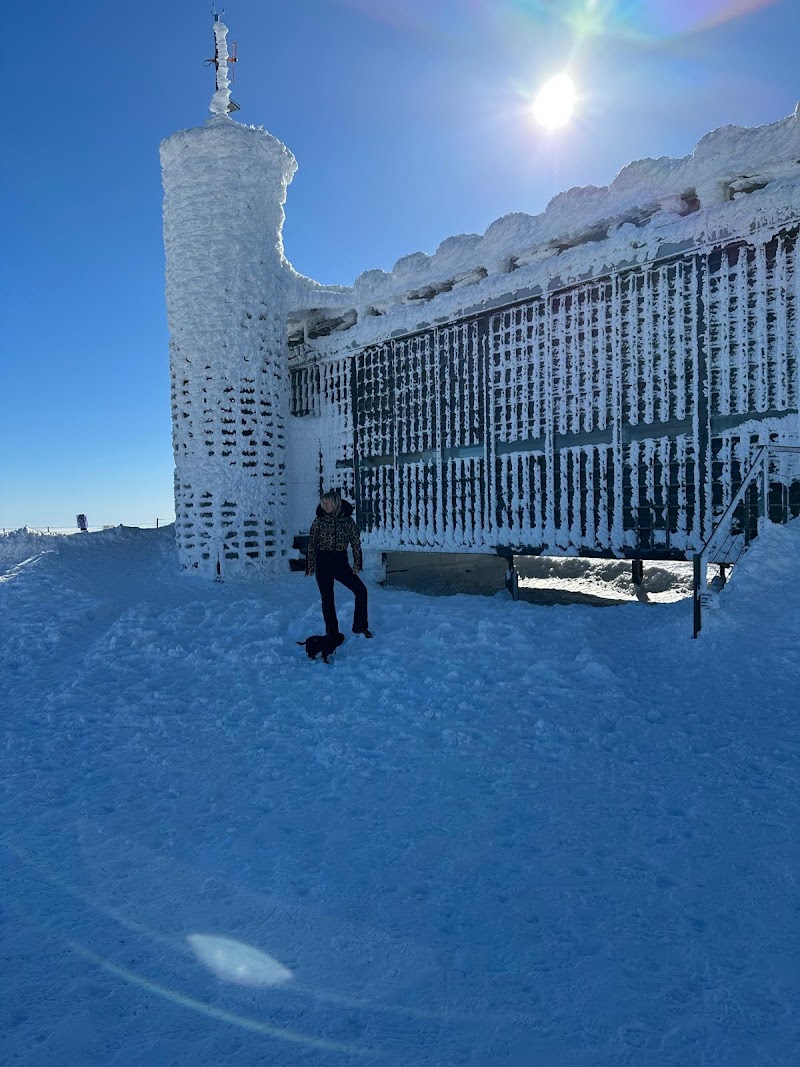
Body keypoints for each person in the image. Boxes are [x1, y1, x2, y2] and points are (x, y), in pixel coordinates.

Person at [306, 489, 372, 639]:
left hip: (340, 562)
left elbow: (355, 543)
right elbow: (312, 544)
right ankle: (332, 633)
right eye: (322, 503)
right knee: (327, 599)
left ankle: (360, 627)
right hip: (323, 562)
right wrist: (309, 566)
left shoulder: (348, 520)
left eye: (327, 502)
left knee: (361, 591)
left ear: (335, 503)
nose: (324, 505)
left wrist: (357, 563)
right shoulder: (319, 520)